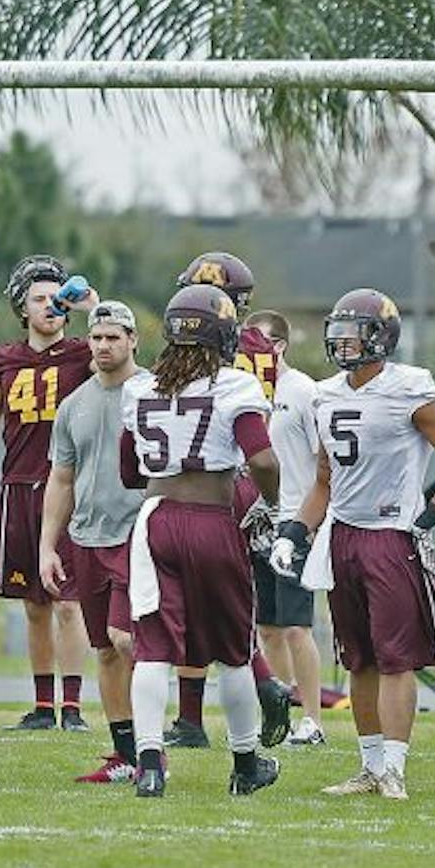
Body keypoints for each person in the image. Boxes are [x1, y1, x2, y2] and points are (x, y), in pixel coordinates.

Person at [270, 288, 435, 802]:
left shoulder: (409, 389)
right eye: (336, 335)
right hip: (342, 536)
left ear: (382, 338)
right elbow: (323, 481)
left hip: (391, 536)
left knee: (395, 659)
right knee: (357, 658)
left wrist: (425, 520)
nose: (343, 344)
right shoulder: (325, 394)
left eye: (353, 334)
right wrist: (296, 532)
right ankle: (369, 767)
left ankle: (395, 770)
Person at [119, 283, 284, 799]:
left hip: (155, 519)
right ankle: (244, 762)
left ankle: (149, 763)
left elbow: (129, 470)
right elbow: (262, 458)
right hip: (213, 518)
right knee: (233, 652)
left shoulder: (140, 387)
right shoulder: (234, 385)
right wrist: (270, 504)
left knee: (152, 647)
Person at [163, 250, 292, 749]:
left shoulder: (201, 344)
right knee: (218, 598)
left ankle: (249, 687)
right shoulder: (262, 347)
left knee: (194, 600)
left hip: (204, 479)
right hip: (247, 476)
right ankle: (199, 717)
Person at [0, 254, 96, 731]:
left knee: (67, 601)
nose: (49, 306)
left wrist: (91, 308)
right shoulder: (4, 359)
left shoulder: (85, 352)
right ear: (22, 308)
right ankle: (43, 706)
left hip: (68, 491)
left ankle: (74, 708)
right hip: (18, 487)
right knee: (33, 604)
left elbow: (124, 361)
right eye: (39, 298)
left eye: (56, 297)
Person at [37, 300, 148, 782]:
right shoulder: (73, 404)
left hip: (138, 534)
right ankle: (125, 754)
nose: (103, 346)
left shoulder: (153, 392)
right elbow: (61, 479)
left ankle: (152, 748)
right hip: (87, 538)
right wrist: (47, 546)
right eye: (97, 337)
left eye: (113, 337)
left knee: (130, 641)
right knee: (104, 648)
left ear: (133, 340)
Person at [244, 307, 327, 748]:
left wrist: (312, 522)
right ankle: (281, 709)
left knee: (297, 626)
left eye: (258, 342)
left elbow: (322, 463)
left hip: (294, 520)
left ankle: (313, 718)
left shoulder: (302, 391)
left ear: (278, 346)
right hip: (255, 521)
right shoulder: (241, 388)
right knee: (268, 627)